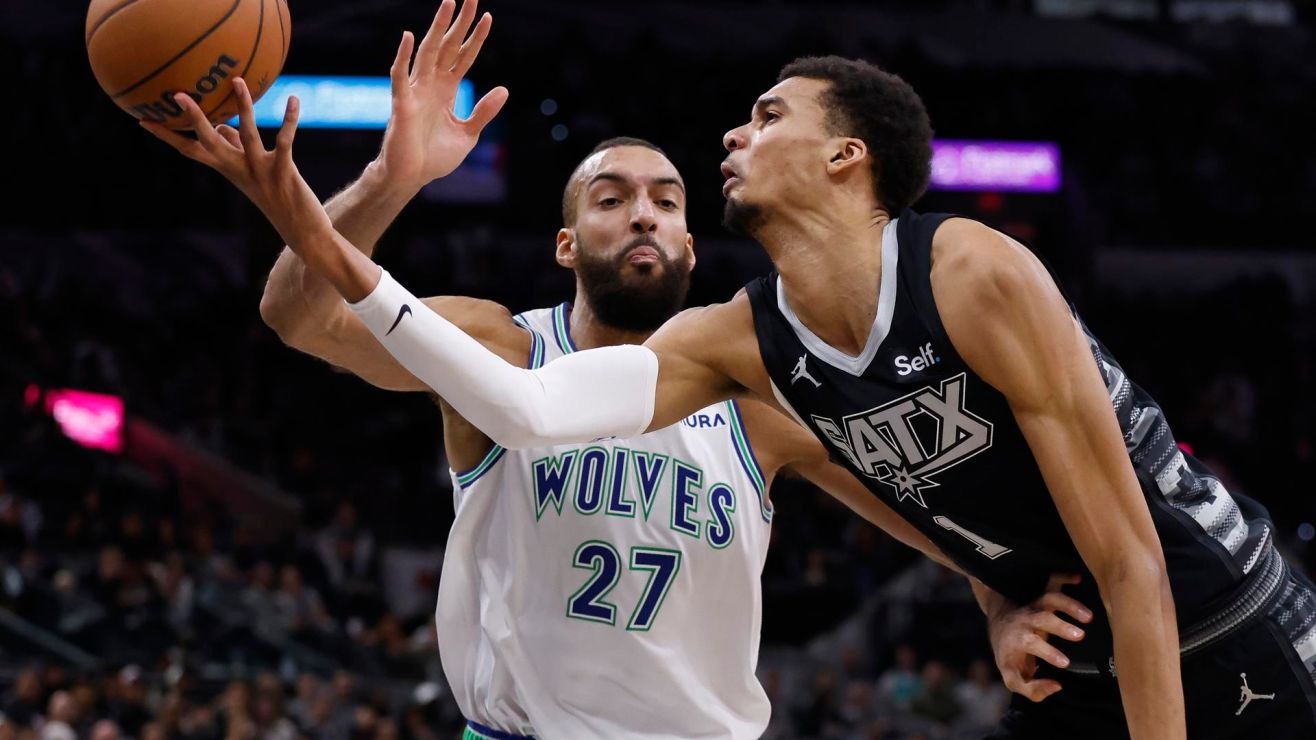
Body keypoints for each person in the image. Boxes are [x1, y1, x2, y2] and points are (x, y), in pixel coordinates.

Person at [142, 3, 1086, 737]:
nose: (642, 212)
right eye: (611, 197)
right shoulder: (504, 346)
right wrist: (393, 177)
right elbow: (295, 316)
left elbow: (920, 498)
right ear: (565, 243)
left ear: (689, 243)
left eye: (666, 200)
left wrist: (999, 605)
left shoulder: (757, 401)